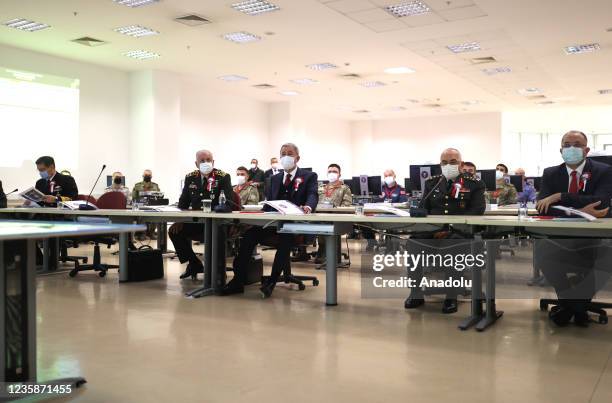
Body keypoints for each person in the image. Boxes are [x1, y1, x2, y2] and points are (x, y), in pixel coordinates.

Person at [535, 130, 612, 326]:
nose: (571, 148)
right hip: (561, 238)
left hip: (595, 238)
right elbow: (542, 207)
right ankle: (575, 305)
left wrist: (560, 197)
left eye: (577, 144)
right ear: (561, 150)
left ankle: (572, 306)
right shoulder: (551, 173)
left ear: (586, 150)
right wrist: (577, 211)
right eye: (567, 144)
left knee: (608, 257)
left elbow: (601, 202)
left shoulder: (604, 171)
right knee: (542, 251)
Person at [222, 142, 318, 298]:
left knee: (285, 239)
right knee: (248, 236)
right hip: (272, 223)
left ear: (297, 158)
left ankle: (272, 282)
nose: (286, 156)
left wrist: (307, 206)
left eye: (290, 153)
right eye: (283, 153)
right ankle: (238, 281)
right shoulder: (274, 178)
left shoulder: (309, 177)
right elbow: (270, 202)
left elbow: (313, 195)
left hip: (294, 226)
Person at [404, 148, 486, 314]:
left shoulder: (474, 184)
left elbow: (477, 211)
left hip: (460, 233)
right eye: (444, 162)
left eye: (453, 162)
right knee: (413, 243)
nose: (448, 165)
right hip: (432, 233)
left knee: (453, 245)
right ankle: (416, 293)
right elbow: (423, 210)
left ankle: (451, 295)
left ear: (461, 164)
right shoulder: (431, 183)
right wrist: (432, 229)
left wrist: (449, 229)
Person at [169, 150, 237, 280]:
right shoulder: (190, 177)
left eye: (208, 160)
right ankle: (194, 263)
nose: (206, 163)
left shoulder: (223, 176)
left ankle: (218, 271)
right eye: (202, 161)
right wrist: (180, 219)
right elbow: (183, 203)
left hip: (218, 223)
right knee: (174, 231)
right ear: (196, 163)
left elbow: (229, 203)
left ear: (213, 162)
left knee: (217, 235)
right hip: (197, 222)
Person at [316, 163, 353, 263]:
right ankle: (322, 249)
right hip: (320, 216)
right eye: (330, 171)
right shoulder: (322, 188)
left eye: (335, 172)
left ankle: (328, 253)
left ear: (339, 174)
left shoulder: (344, 188)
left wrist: (334, 209)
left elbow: (347, 205)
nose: (332, 173)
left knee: (326, 224)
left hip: (335, 217)